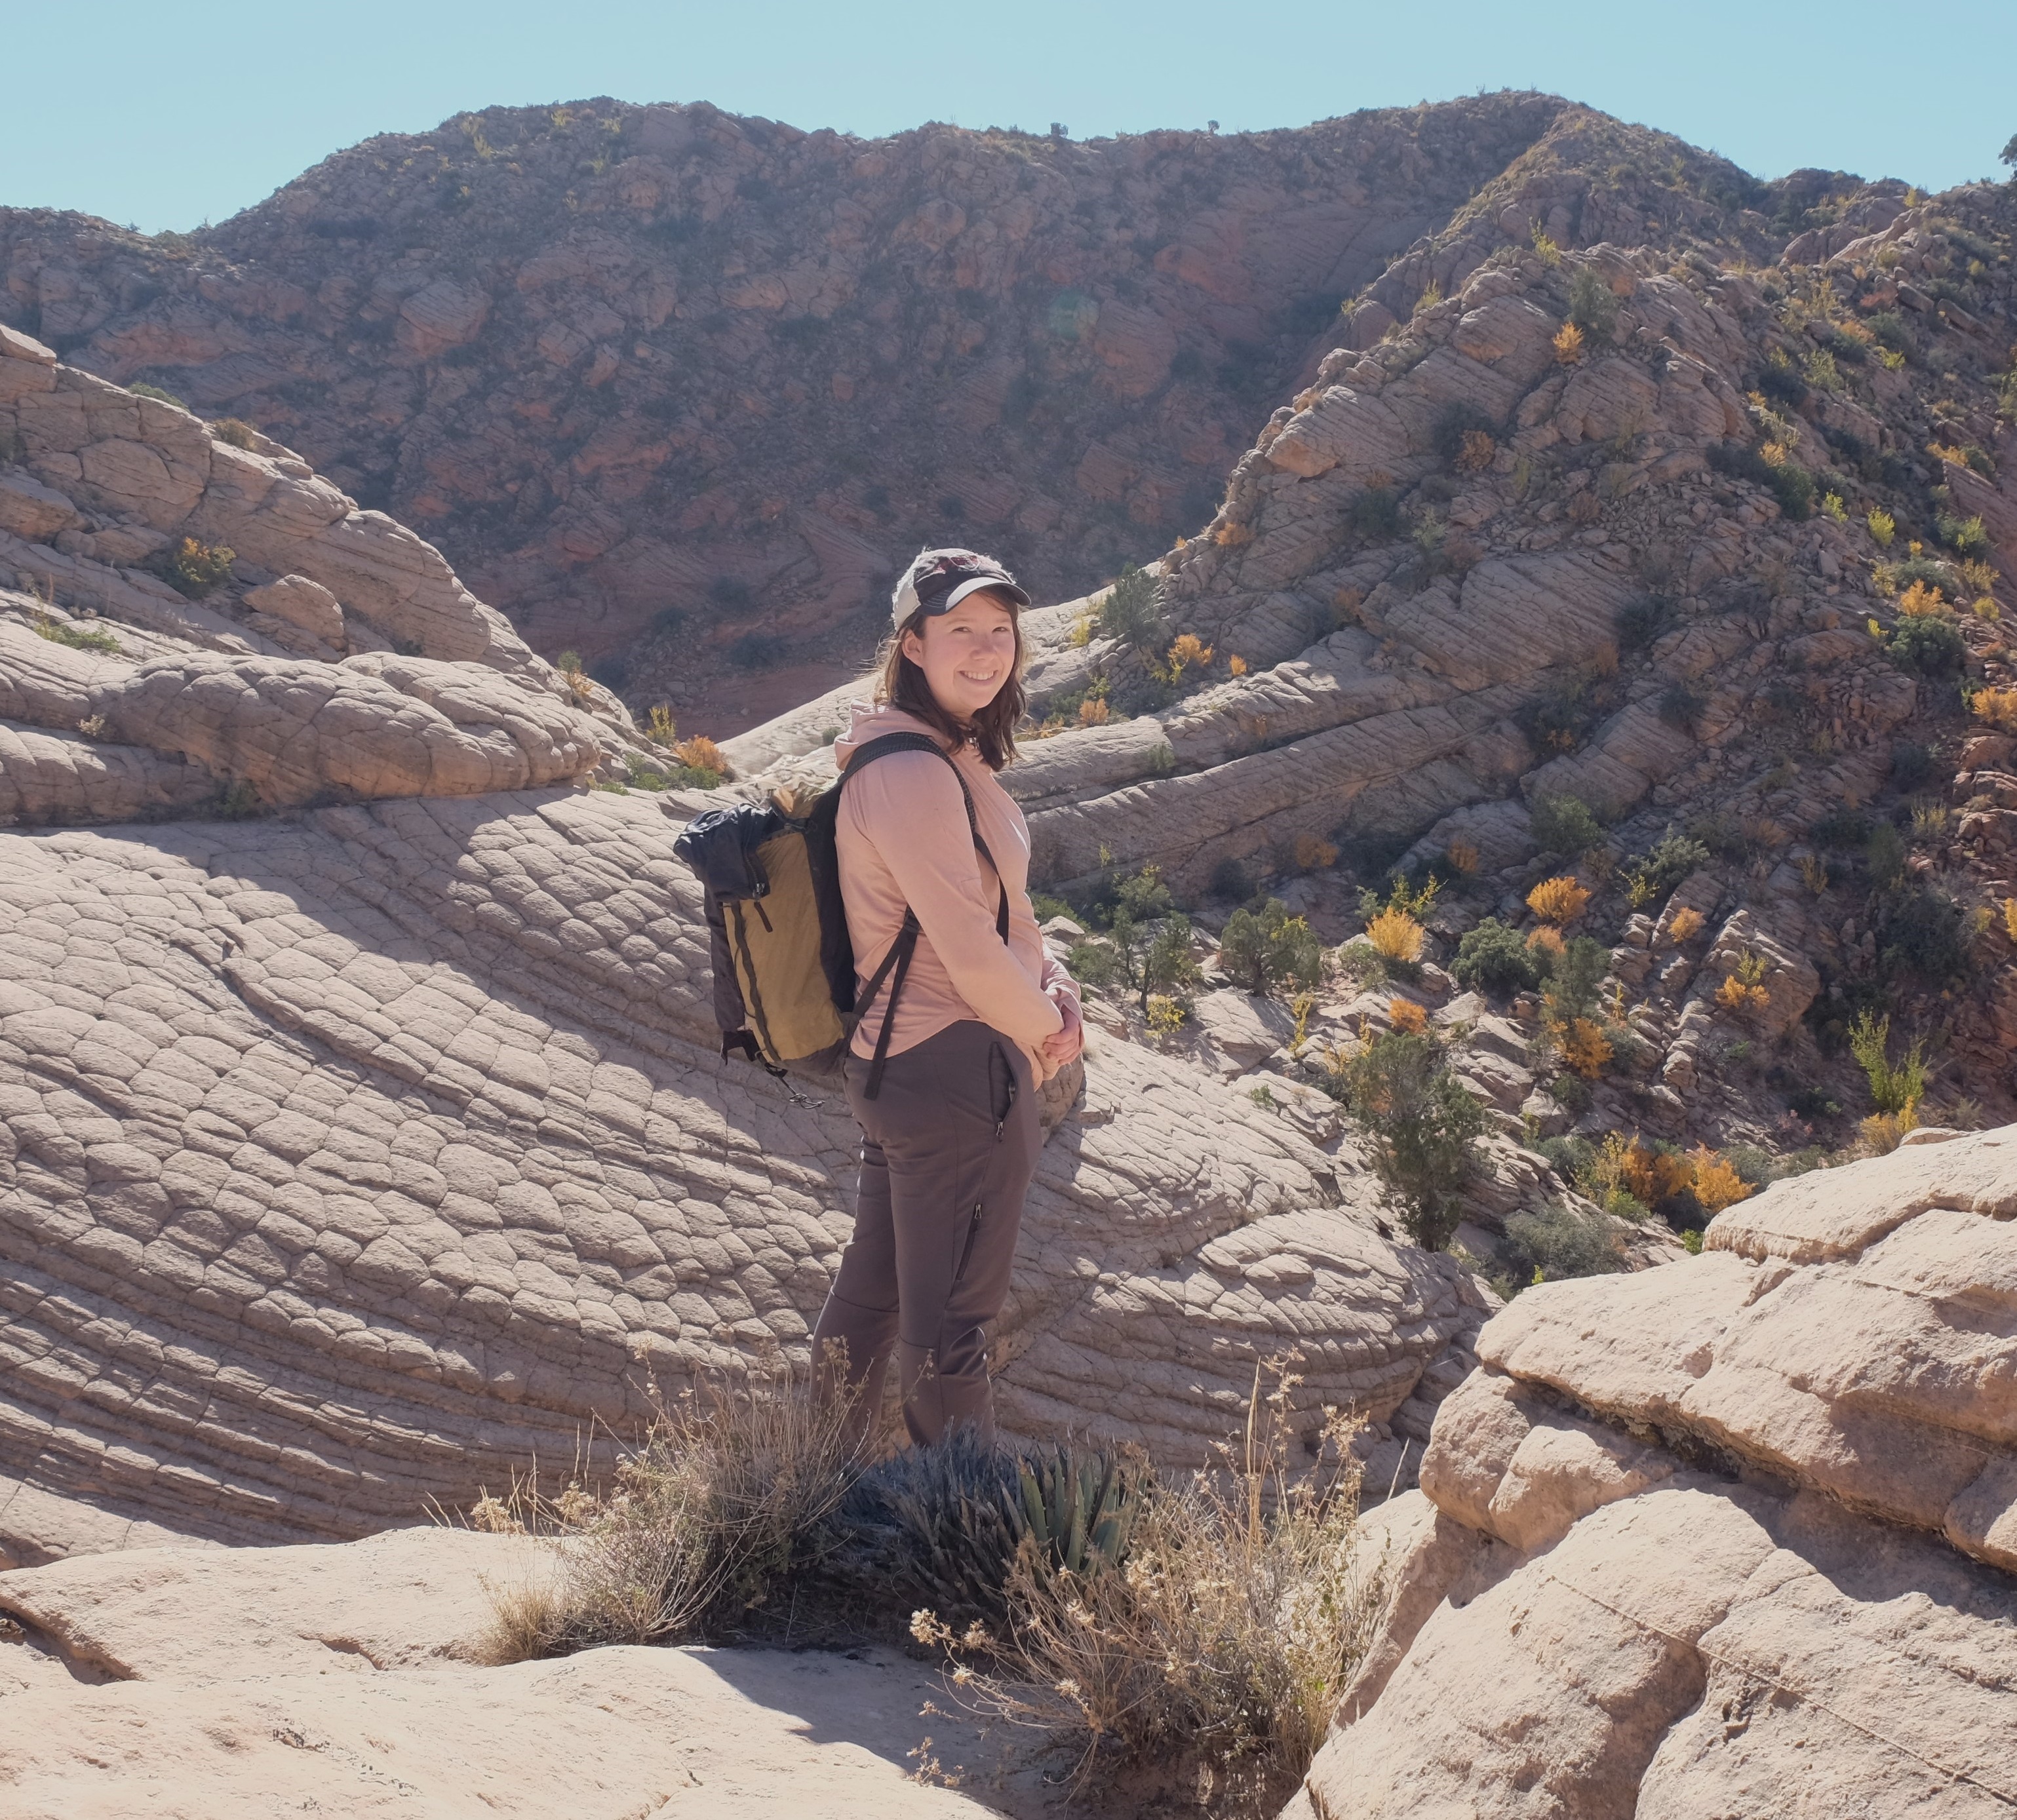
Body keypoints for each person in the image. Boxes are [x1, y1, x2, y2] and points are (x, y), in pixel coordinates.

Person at [812, 547, 1083, 1450]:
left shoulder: (937, 754)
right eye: (958, 628)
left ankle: (815, 1492)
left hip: (909, 1066)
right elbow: (966, 952)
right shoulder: (913, 770)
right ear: (912, 642)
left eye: (998, 629)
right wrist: (1048, 1036)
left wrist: (1054, 981)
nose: (983, 647)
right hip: (957, 1071)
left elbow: (993, 907)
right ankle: (964, 1532)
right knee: (950, 1326)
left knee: (874, 1297)